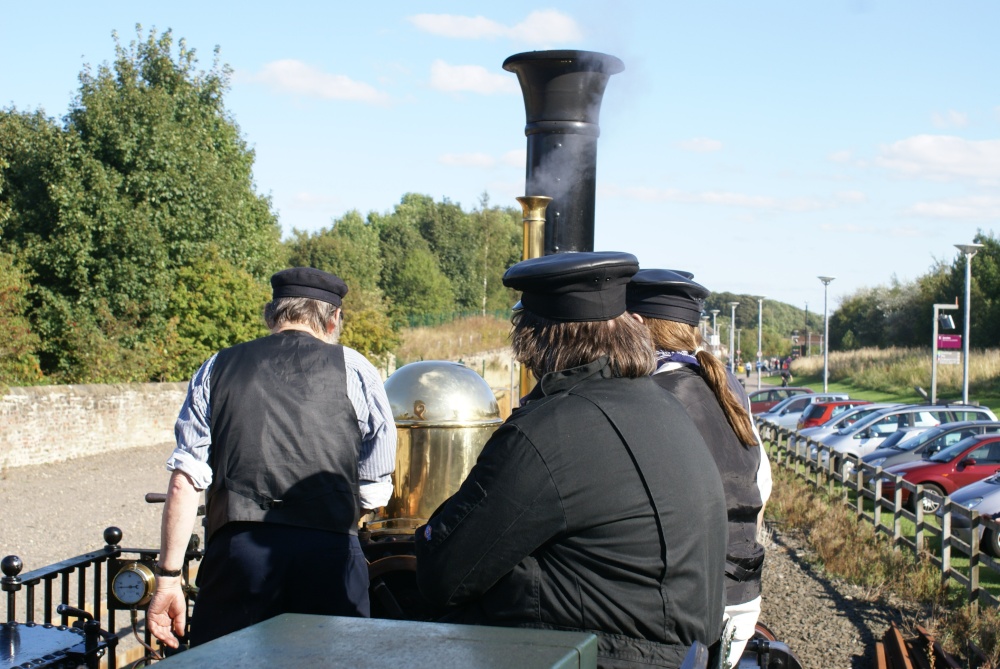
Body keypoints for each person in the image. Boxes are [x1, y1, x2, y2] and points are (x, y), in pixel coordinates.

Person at [415, 252, 728, 669]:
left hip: (606, 656)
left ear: (534, 342)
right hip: (677, 653)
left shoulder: (550, 430)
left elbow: (444, 575)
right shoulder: (663, 406)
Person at [147, 267, 397, 648]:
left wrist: (167, 579)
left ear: (270, 315)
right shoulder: (358, 370)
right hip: (329, 559)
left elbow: (185, 481)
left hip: (237, 558)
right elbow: (374, 487)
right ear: (334, 319)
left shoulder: (217, 367)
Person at [626, 269, 772, 666]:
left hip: (690, 604)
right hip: (741, 596)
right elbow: (762, 485)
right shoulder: (728, 386)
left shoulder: (650, 395)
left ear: (636, 323)